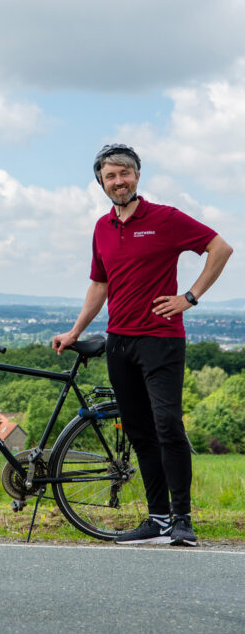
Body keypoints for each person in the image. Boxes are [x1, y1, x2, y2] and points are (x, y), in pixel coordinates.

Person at [52, 144, 233, 546]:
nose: (118, 181)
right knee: (139, 431)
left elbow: (220, 248)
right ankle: (157, 519)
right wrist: (76, 331)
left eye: (125, 174)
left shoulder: (164, 218)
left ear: (137, 176)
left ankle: (182, 520)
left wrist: (190, 297)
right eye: (110, 176)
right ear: (100, 182)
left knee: (168, 425)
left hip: (161, 341)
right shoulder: (101, 227)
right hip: (120, 343)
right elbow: (100, 284)